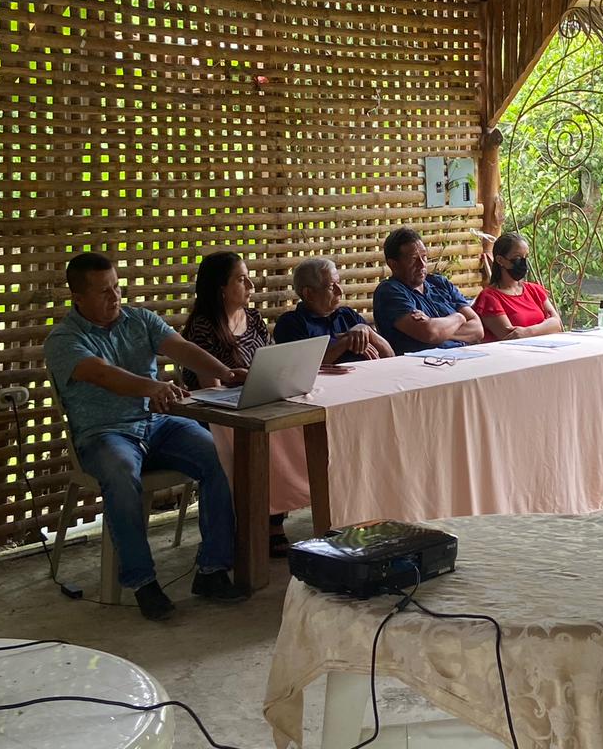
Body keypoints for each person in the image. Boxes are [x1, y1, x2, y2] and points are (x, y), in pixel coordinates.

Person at [43, 252, 249, 621]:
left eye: (117, 287)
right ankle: (143, 582)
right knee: (122, 474)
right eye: (104, 291)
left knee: (217, 452)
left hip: (155, 424)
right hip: (105, 433)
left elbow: (182, 348)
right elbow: (102, 374)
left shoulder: (139, 319)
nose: (115, 297)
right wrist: (151, 387)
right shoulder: (63, 339)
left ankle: (212, 569)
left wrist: (227, 372)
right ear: (78, 297)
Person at [180, 251, 291, 558]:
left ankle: (273, 516)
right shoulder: (203, 327)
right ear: (221, 288)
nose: (250, 286)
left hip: (257, 403)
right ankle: (261, 524)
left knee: (290, 433)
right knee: (267, 439)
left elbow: (272, 362)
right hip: (216, 414)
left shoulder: (253, 318)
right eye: (241, 280)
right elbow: (210, 388)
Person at [372, 227, 483, 355]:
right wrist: (459, 317)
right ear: (393, 264)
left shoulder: (440, 283)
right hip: (421, 364)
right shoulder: (389, 292)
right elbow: (430, 333)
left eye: (424, 257)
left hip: (462, 357)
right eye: (413, 259)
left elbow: (478, 329)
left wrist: (440, 330)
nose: (422, 264)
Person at [275, 257, 394, 363]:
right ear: (309, 294)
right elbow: (304, 366)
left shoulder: (347, 315)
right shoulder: (291, 323)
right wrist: (345, 343)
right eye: (332, 287)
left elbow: (390, 355)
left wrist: (368, 331)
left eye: (338, 283)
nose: (340, 291)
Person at [472, 232, 563, 342]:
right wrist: (546, 326)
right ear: (500, 260)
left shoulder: (534, 290)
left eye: (526, 257)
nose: (523, 263)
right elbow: (510, 336)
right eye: (518, 258)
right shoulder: (489, 297)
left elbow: (557, 324)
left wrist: (528, 332)